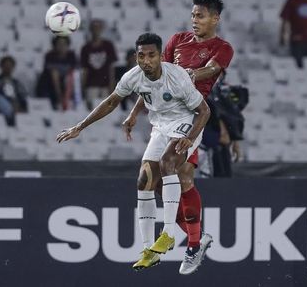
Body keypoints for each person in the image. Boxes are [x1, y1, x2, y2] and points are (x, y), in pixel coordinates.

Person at [56, 32, 211, 273]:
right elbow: (110, 102)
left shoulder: (177, 76)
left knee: (168, 163)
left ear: (160, 56)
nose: (146, 60)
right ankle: (149, 249)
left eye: (151, 55)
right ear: (135, 56)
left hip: (187, 121)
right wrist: (80, 126)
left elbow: (204, 110)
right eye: (141, 56)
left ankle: (169, 233)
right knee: (144, 181)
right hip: (160, 125)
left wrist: (190, 137)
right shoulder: (133, 76)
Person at [124, 0, 233, 274]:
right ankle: (196, 239)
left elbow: (211, 70)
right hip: (164, 118)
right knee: (159, 182)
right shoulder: (177, 40)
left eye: (201, 15)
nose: (195, 20)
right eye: (193, 14)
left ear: (215, 18)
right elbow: (153, 79)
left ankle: (192, 243)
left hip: (192, 116)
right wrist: (136, 111)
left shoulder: (221, 47)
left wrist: (188, 75)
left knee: (181, 176)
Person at [80, 19, 118, 110]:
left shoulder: (108, 46)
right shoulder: (85, 48)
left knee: (106, 110)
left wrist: (112, 86)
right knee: (92, 111)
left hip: (105, 84)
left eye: (98, 28)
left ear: (101, 29)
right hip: (91, 84)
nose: (96, 30)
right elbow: (84, 70)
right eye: (94, 28)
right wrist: (83, 87)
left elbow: (111, 68)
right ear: (90, 29)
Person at [36, 36, 78, 111]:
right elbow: (53, 75)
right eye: (59, 44)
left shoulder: (71, 56)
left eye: (64, 44)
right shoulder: (50, 56)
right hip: (48, 86)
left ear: (68, 45)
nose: (62, 46)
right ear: (55, 46)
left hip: (64, 84)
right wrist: (59, 97)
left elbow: (73, 73)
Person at [0, 55, 28, 125]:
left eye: (10, 65)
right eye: (6, 65)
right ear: (1, 66)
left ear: (13, 67)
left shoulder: (16, 82)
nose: (8, 67)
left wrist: (21, 106)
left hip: (17, 105)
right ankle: (13, 116)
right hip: (3, 106)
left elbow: (22, 95)